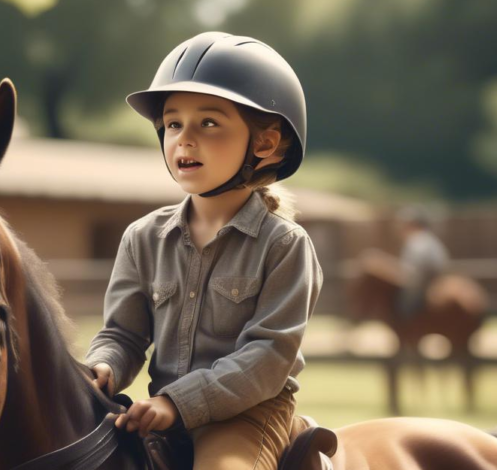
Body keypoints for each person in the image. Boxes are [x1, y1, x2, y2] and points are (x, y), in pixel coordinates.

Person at [83, 32, 324, 470]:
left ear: (265, 144)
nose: (184, 140)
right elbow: (123, 333)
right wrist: (102, 367)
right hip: (161, 411)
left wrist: (177, 403)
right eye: (173, 124)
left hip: (249, 416)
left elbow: (267, 358)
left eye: (208, 123)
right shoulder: (142, 237)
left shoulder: (285, 246)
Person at [395, 206, 449, 321]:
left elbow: (412, 269)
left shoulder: (415, 240)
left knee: (404, 305)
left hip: (422, 283)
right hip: (437, 280)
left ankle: (406, 327)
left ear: (413, 224)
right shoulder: (430, 239)